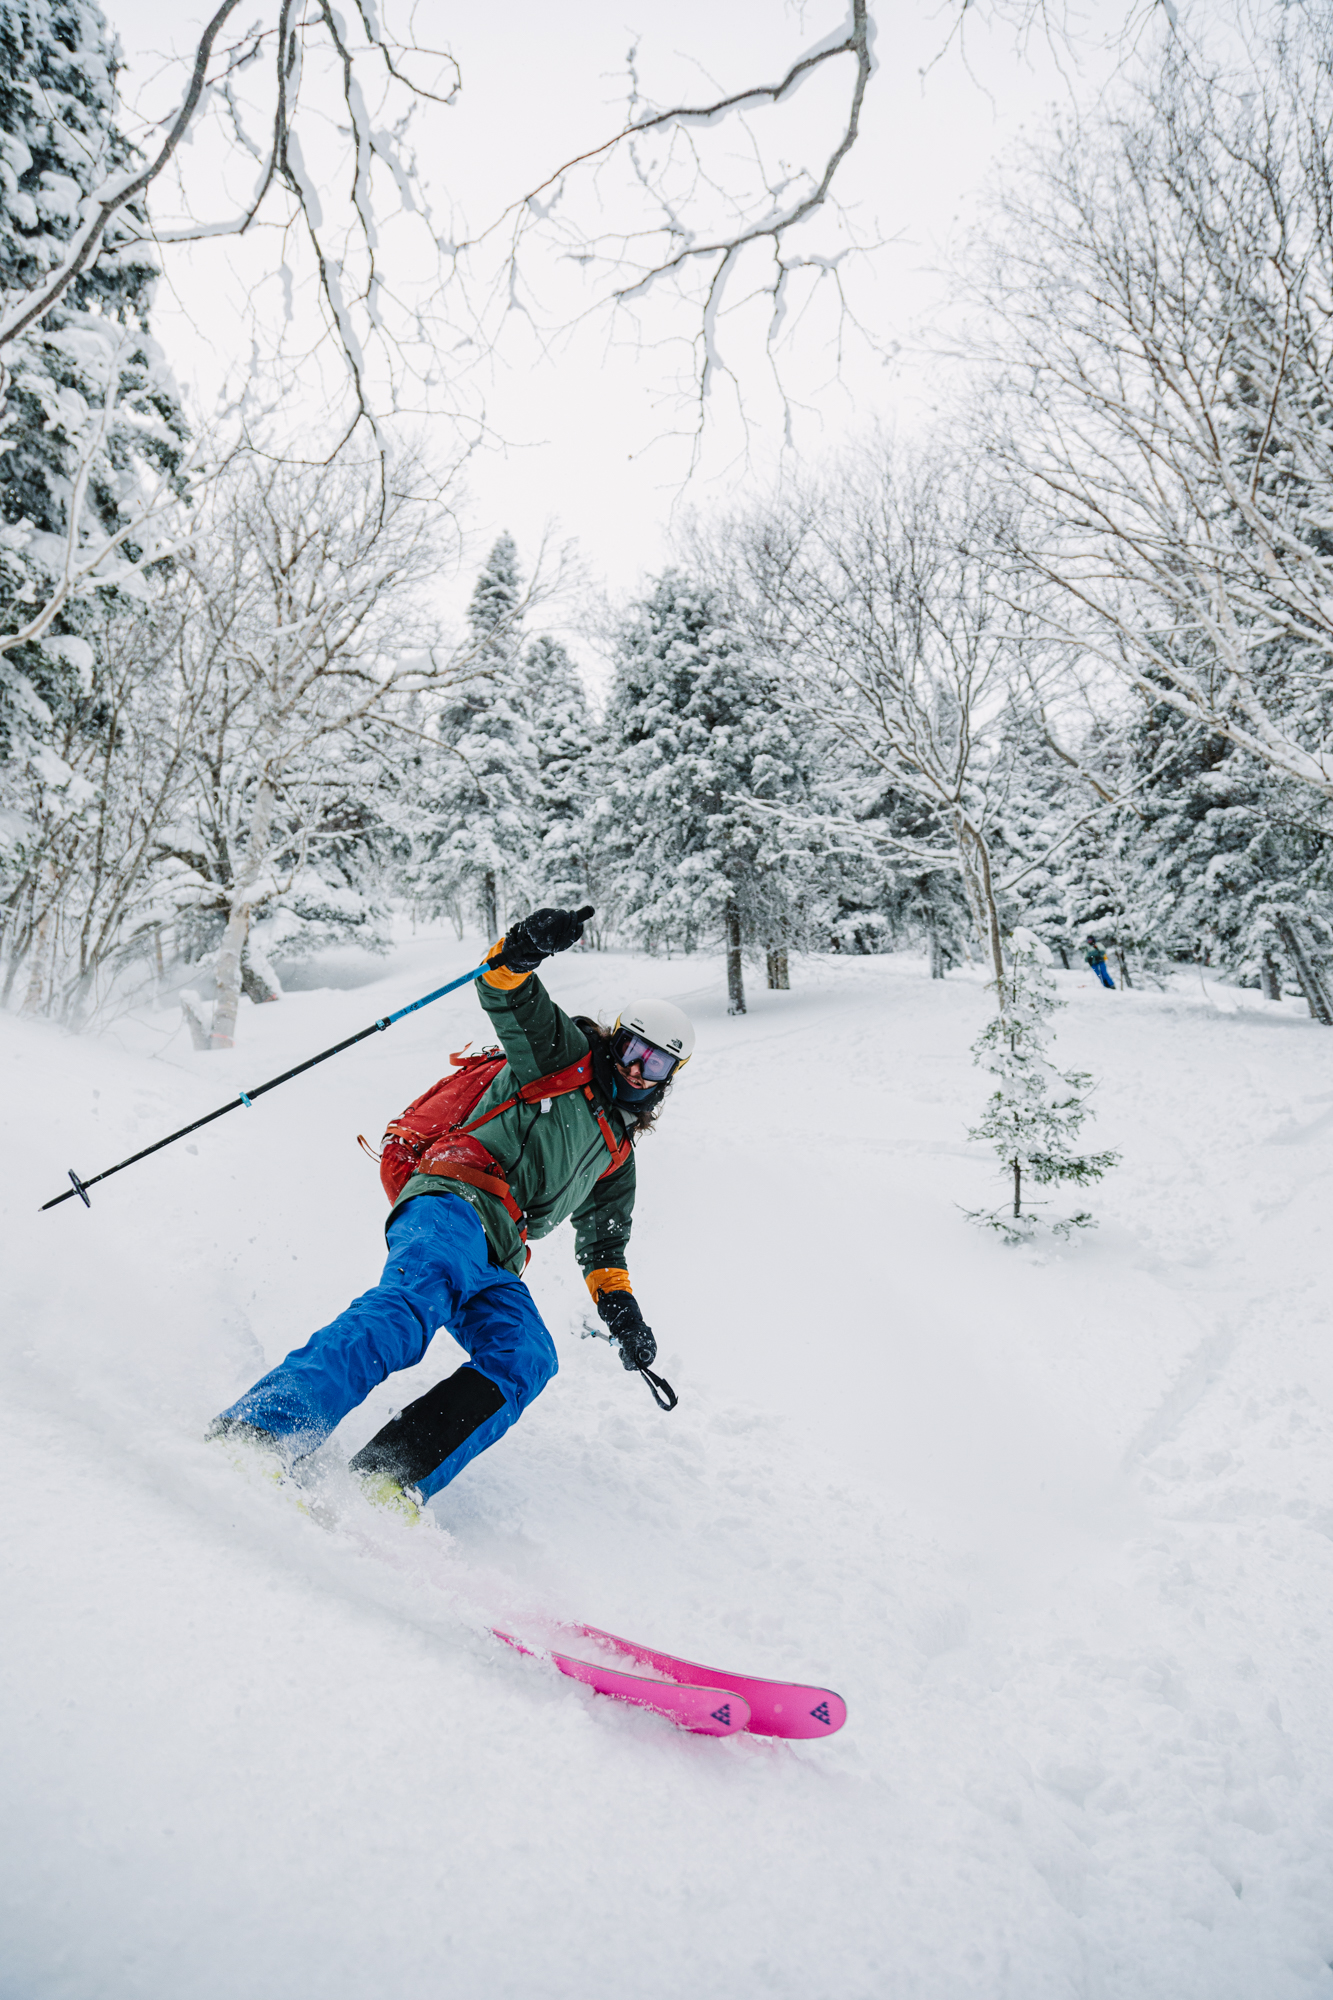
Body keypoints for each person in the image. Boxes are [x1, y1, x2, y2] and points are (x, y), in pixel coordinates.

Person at [208, 907, 694, 1510]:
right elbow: (502, 988)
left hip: (499, 1251)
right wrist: (524, 948)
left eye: (655, 1064)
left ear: (670, 1077)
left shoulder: (617, 1152)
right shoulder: (561, 1056)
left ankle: (384, 1476)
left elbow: (603, 1246)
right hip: (451, 1203)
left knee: (527, 1358)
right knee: (411, 1308)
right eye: (631, 1049)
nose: (634, 1069)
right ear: (615, 1038)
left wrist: (624, 1315)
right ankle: (260, 1431)